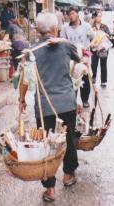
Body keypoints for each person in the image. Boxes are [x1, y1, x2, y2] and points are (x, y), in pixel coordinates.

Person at [19, 12, 81, 202]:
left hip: (44, 105)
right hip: (66, 102)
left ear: (38, 30)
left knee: (46, 144)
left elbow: (25, 79)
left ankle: (50, 189)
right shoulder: (65, 45)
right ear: (55, 28)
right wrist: (61, 40)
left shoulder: (31, 51)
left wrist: (21, 100)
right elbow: (78, 59)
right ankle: (68, 175)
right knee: (68, 139)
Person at [61, 6, 95, 108]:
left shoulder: (86, 26)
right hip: (72, 58)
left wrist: (89, 46)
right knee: (72, 79)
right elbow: (63, 41)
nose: (71, 16)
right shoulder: (65, 28)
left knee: (85, 78)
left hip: (84, 57)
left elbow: (94, 38)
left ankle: (85, 100)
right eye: (69, 15)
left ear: (77, 13)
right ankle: (73, 100)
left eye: (73, 14)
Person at [91, 11, 111, 87]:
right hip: (94, 48)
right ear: (95, 17)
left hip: (103, 48)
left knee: (103, 64)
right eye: (98, 16)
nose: (99, 18)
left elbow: (109, 36)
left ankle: (103, 81)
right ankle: (93, 78)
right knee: (93, 64)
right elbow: (89, 37)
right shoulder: (91, 26)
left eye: (100, 16)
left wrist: (104, 34)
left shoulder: (104, 26)